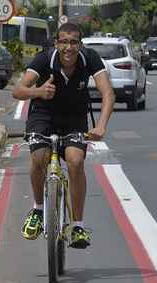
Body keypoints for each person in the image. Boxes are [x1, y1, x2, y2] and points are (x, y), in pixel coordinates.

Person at [12, 23, 114, 249]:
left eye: (74, 42)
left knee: (76, 161)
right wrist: (38, 92)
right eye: (64, 42)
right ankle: (38, 210)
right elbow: (18, 91)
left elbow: (108, 93)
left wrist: (101, 126)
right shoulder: (43, 60)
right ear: (56, 43)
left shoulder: (90, 59)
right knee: (39, 157)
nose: (68, 47)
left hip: (74, 118)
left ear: (80, 44)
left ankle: (77, 225)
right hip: (43, 115)